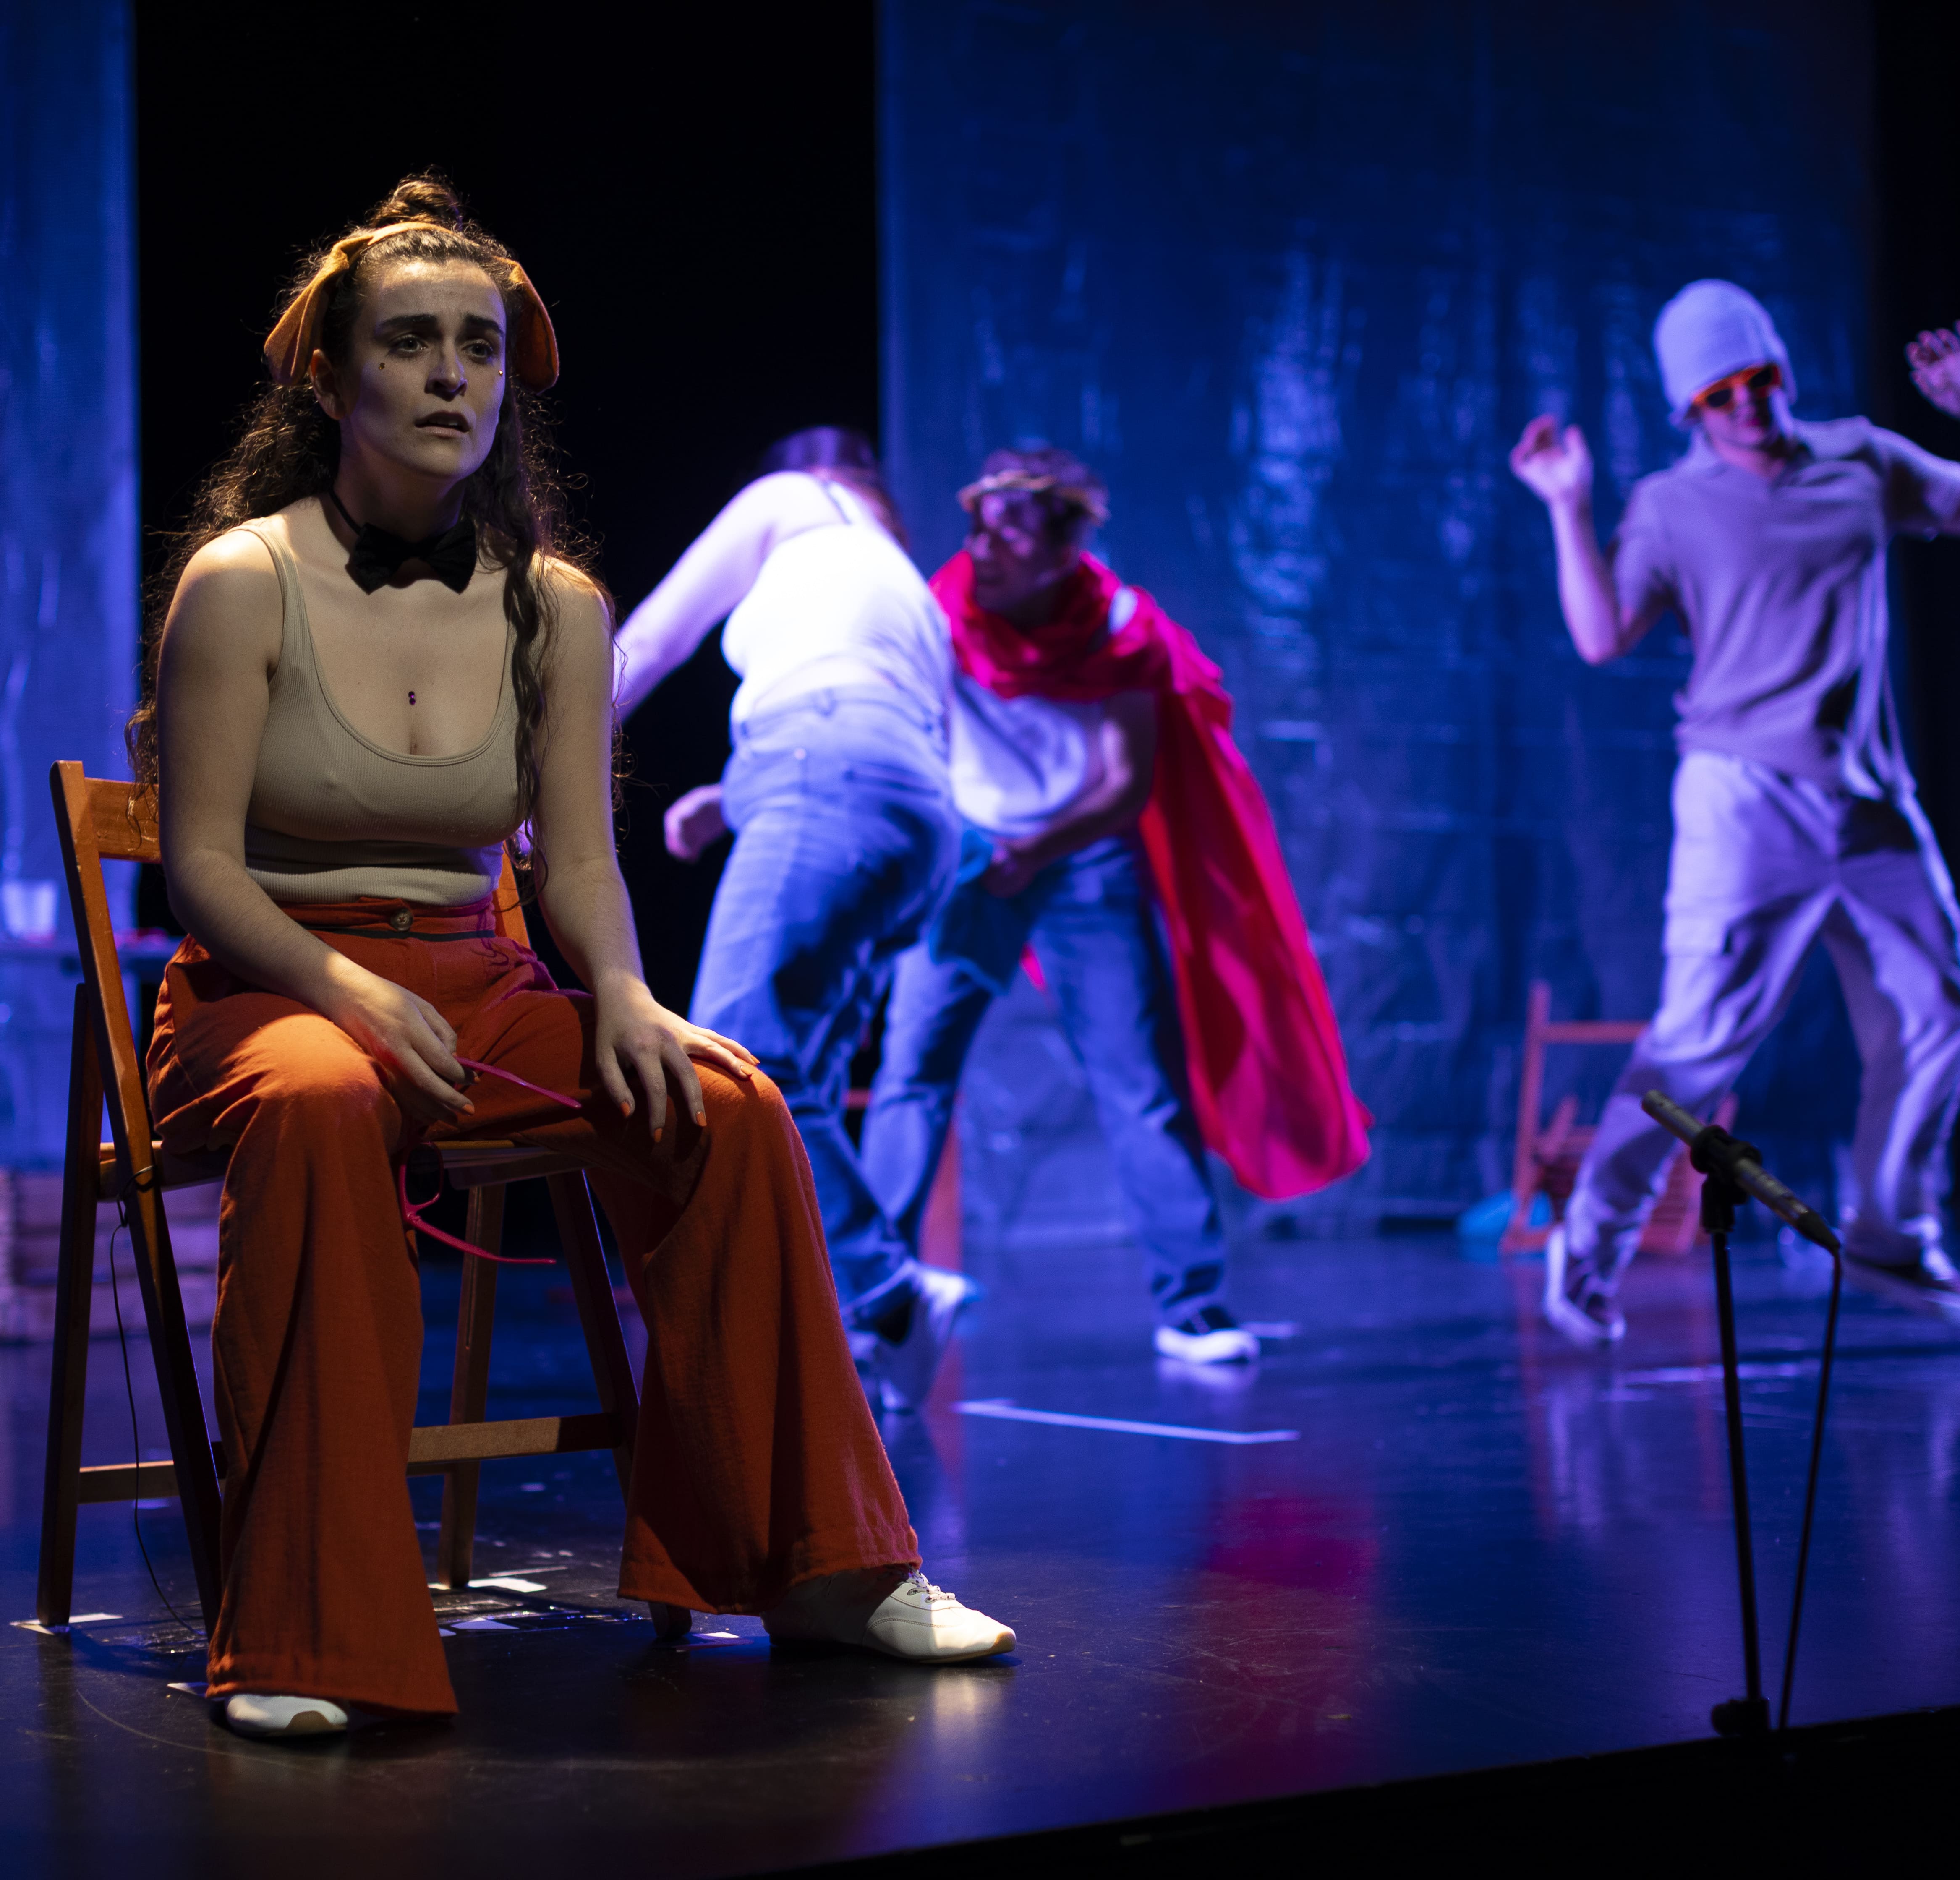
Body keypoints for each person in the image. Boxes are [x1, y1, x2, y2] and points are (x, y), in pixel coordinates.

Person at [138, 177, 1011, 1741]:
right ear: (331, 377)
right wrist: (343, 986)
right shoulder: (245, 580)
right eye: (409, 342)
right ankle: (307, 1630)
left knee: (727, 1101)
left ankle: (825, 1569)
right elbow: (199, 870)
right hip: (271, 990)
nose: (451, 376)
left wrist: (621, 993)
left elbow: (579, 865)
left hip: (482, 988)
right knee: (326, 1094)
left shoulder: (556, 606)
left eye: (477, 345)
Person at [1506, 280, 1960, 1347]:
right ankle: (1590, 1247)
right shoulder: (1671, 503)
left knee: (1940, 1011)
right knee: (1698, 1045)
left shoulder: (1862, 457)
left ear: (1783, 371)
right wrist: (1567, 506)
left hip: (1870, 796)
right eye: (1720, 393)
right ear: (1690, 409)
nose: (1747, 403)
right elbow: (1604, 635)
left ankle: (1891, 1232)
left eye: (1758, 378)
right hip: (1743, 799)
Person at [859, 445, 1371, 1382]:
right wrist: (967, 845)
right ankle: (875, 1304)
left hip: (1083, 854)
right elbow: (915, 735)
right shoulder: (944, 605)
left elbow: (1124, 783)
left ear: (1063, 551)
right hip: (976, 854)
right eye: (979, 528)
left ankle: (1191, 1304)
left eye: (1012, 534)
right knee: (914, 1069)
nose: (985, 548)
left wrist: (1036, 850)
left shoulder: (1118, 625)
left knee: (1140, 1085)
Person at [611, 426, 976, 1410]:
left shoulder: (792, 499)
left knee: (740, 1052)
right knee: (792, 1081)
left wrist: (542, 753)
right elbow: (881, 723)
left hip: (824, 773)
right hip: (917, 826)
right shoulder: (906, 587)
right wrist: (735, 796)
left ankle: (886, 1290)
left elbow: (659, 635)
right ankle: (834, 1318)